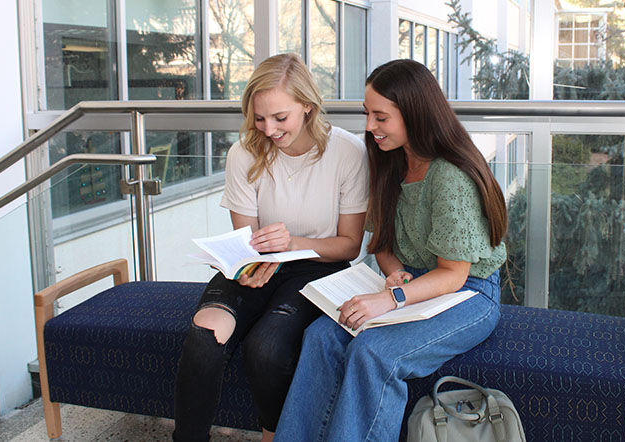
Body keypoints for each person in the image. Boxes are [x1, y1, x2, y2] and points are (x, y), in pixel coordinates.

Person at [274, 59, 508, 442]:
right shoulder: (389, 162)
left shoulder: (450, 176)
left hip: (469, 293)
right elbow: (380, 245)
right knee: (321, 336)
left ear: (414, 114)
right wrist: (394, 271)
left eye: (380, 117)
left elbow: (454, 274)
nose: (369, 127)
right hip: (410, 282)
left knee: (373, 353)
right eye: (368, 114)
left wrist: (392, 297)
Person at [173, 53, 369, 442]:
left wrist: (292, 243)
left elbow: (348, 246)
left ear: (308, 107)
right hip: (257, 264)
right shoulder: (244, 152)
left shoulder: (347, 152)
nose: (268, 129)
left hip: (319, 265)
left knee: (267, 346)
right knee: (205, 334)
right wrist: (248, 264)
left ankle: (276, 437)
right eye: (259, 118)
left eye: (281, 118)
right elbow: (245, 242)